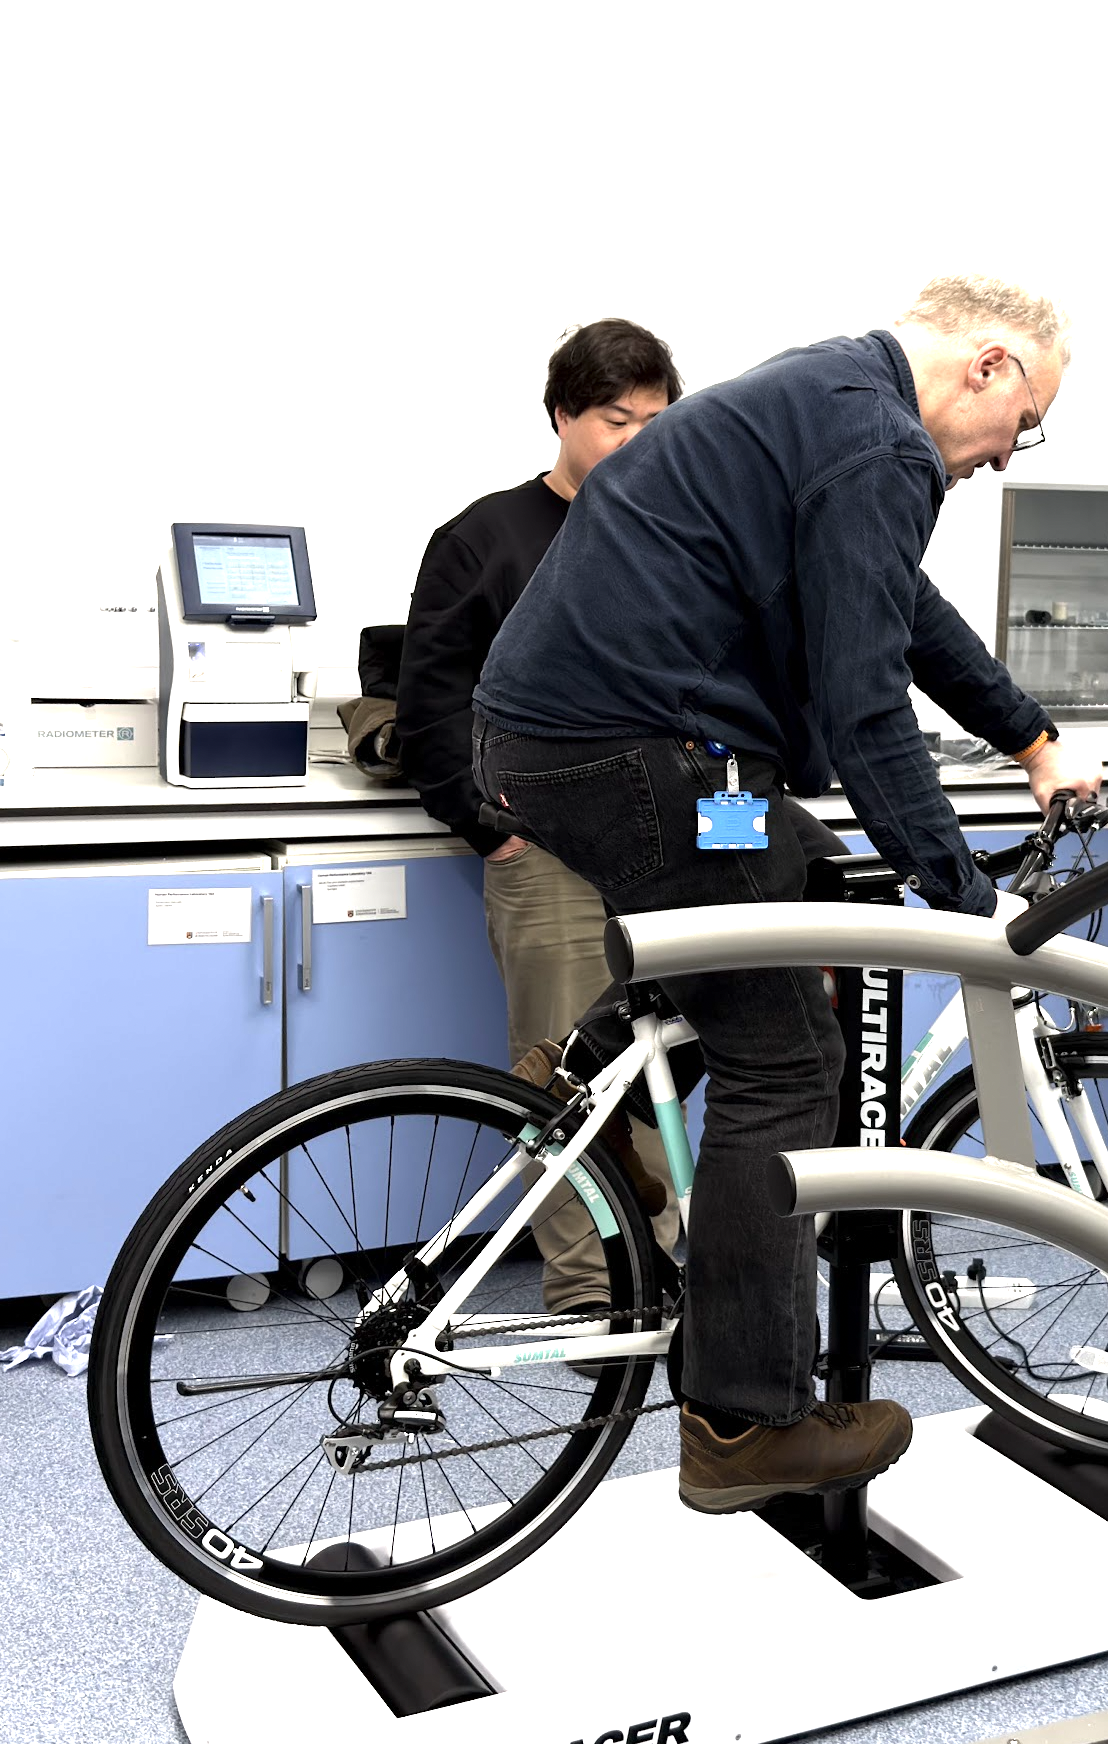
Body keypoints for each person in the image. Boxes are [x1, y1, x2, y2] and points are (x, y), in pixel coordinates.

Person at [473, 275, 1101, 1515]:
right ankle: (742, 1423)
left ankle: (587, 1093)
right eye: (1021, 427)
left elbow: (898, 608)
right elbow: (866, 704)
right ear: (987, 367)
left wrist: (1027, 736)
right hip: (635, 752)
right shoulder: (879, 440)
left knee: (800, 864)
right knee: (786, 1065)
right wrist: (972, 905)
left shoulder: (830, 390)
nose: (1000, 459)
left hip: (570, 741)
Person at [394, 317, 688, 1317]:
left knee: (658, 1067)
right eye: (616, 419)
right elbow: (428, 700)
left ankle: (665, 1271)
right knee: (565, 1079)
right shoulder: (484, 538)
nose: (638, 441)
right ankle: (588, 1290)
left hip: (663, 849)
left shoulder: (675, 536)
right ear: (562, 414)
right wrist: (488, 828)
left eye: (657, 420)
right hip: (547, 854)